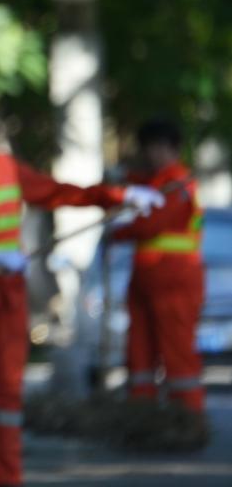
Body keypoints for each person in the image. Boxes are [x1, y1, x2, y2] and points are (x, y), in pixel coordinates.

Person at [0, 92, 163, 487]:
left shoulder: (6, 168)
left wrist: (119, 196)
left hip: (5, 298)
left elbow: (56, 192)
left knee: (6, 394)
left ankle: (4, 478)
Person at [111, 118, 205, 412]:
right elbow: (132, 190)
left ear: (173, 149)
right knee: (139, 350)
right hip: (145, 279)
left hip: (175, 279)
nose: (153, 154)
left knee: (176, 350)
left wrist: (118, 231)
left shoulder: (178, 183)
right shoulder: (151, 182)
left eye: (159, 147)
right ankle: (142, 415)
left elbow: (152, 222)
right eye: (149, 148)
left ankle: (186, 417)